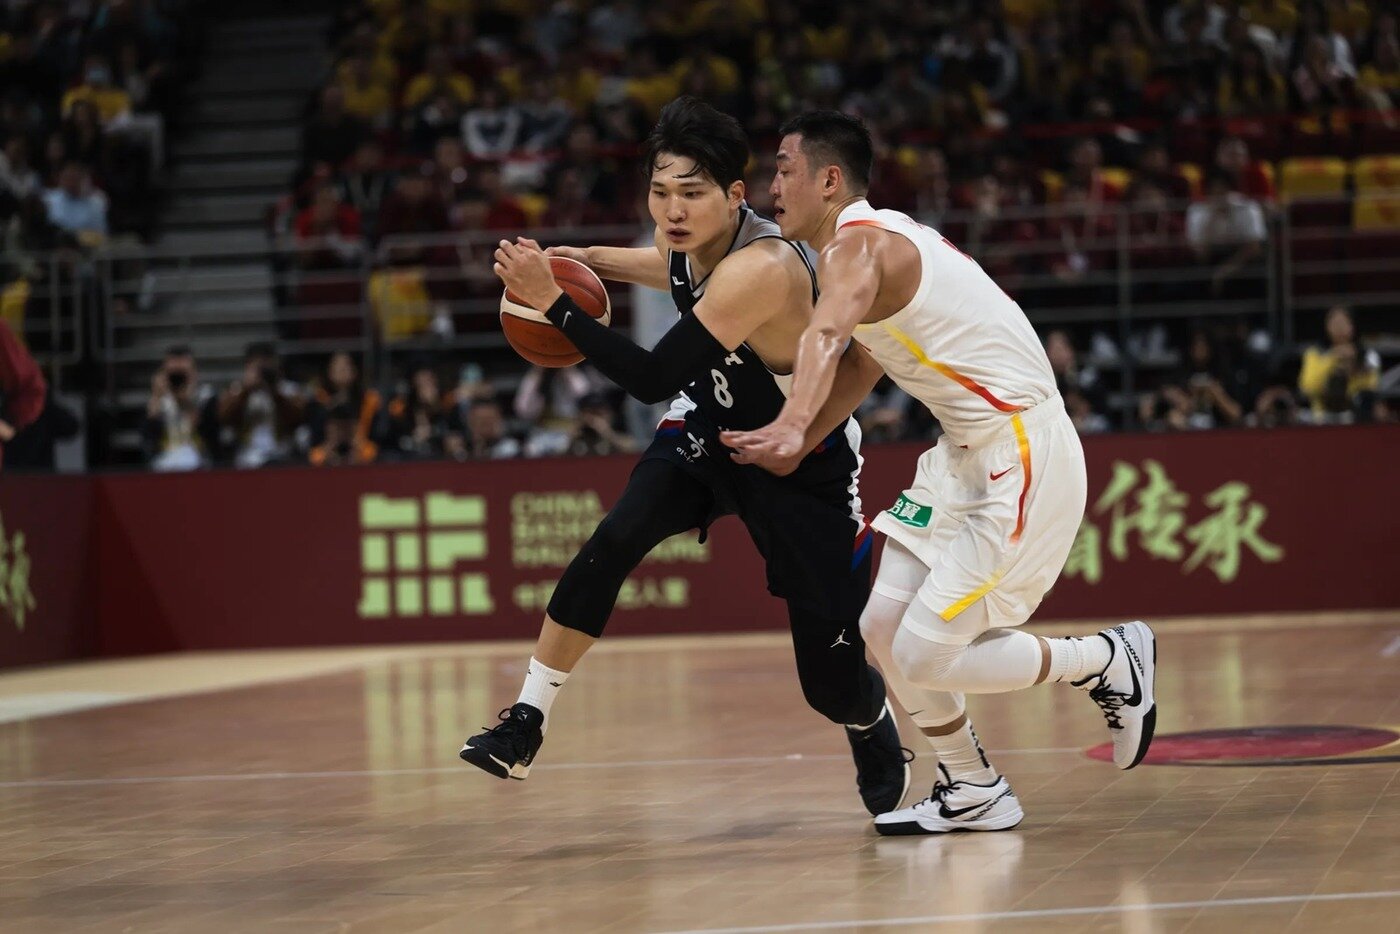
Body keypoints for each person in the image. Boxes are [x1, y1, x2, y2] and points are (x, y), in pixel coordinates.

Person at [461, 97, 911, 819]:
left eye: (691, 193)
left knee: (829, 683)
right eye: (660, 191)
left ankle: (869, 720)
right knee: (615, 539)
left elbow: (649, 378)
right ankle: (525, 720)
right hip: (706, 428)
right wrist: (579, 260)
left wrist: (557, 304)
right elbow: (663, 264)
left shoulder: (761, 266)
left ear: (735, 196)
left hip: (801, 462)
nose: (672, 209)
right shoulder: (691, 241)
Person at [722, 111, 1158, 836]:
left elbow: (828, 336)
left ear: (830, 181)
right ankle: (974, 785)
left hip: (1020, 452)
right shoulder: (865, 247)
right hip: (961, 454)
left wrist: (793, 423)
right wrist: (805, 442)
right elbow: (864, 359)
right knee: (883, 629)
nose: (773, 185)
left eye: (783, 168)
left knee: (927, 649)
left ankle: (1106, 659)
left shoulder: (858, 249)